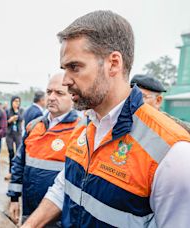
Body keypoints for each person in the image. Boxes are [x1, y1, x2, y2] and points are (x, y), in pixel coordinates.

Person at [22, 10, 190, 228]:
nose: (65, 80)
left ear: (113, 63)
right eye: (64, 69)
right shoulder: (84, 126)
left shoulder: (172, 154)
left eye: (74, 67)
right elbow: (64, 185)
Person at [8, 74, 79, 226]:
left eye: (59, 93)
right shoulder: (33, 126)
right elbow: (19, 163)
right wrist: (14, 198)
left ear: (73, 96)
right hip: (29, 211)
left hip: (60, 217)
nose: (52, 97)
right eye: (49, 92)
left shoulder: (81, 130)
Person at [5, 95, 24, 179]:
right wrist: (10, 120)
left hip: (18, 134)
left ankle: (17, 171)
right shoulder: (7, 111)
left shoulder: (21, 110)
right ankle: (10, 171)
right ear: (12, 102)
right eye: (15, 101)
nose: (17, 103)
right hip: (9, 134)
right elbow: (4, 123)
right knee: (11, 152)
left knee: (18, 153)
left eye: (18, 101)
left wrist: (17, 113)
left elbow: (22, 118)